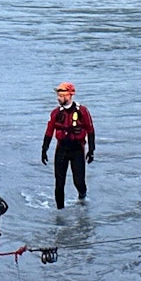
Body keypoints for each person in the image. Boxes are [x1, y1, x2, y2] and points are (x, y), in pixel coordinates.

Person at [41, 81, 95, 209]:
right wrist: (44, 149)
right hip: (62, 150)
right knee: (59, 183)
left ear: (69, 95)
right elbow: (49, 131)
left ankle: (82, 196)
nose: (58, 98)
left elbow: (90, 130)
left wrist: (91, 149)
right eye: (58, 95)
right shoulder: (55, 113)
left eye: (61, 95)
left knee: (79, 181)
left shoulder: (82, 111)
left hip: (77, 150)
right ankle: (60, 211)